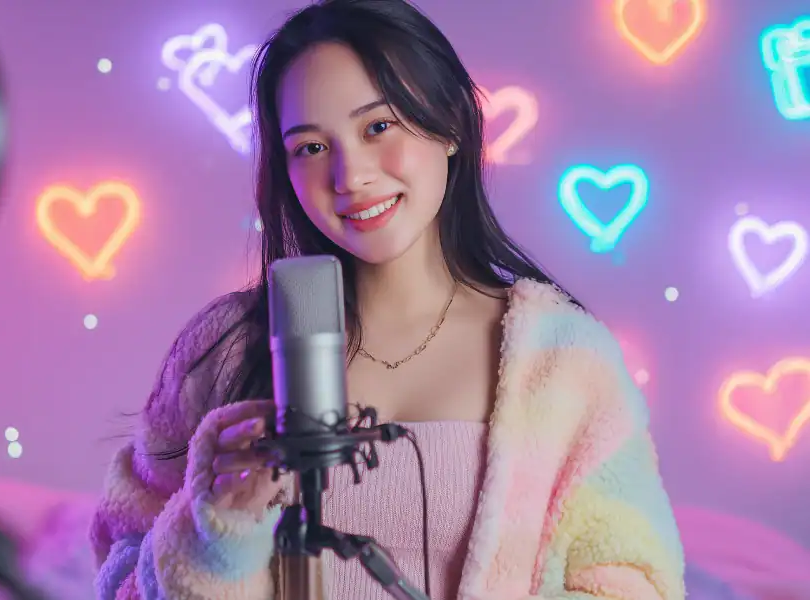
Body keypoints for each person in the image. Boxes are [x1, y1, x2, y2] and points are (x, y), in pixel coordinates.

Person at [89, 0, 686, 598]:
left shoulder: (564, 361)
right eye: (311, 148)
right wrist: (214, 532)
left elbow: (633, 582)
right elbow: (118, 577)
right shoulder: (224, 350)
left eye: (378, 127)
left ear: (450, 123)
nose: (349, 176)